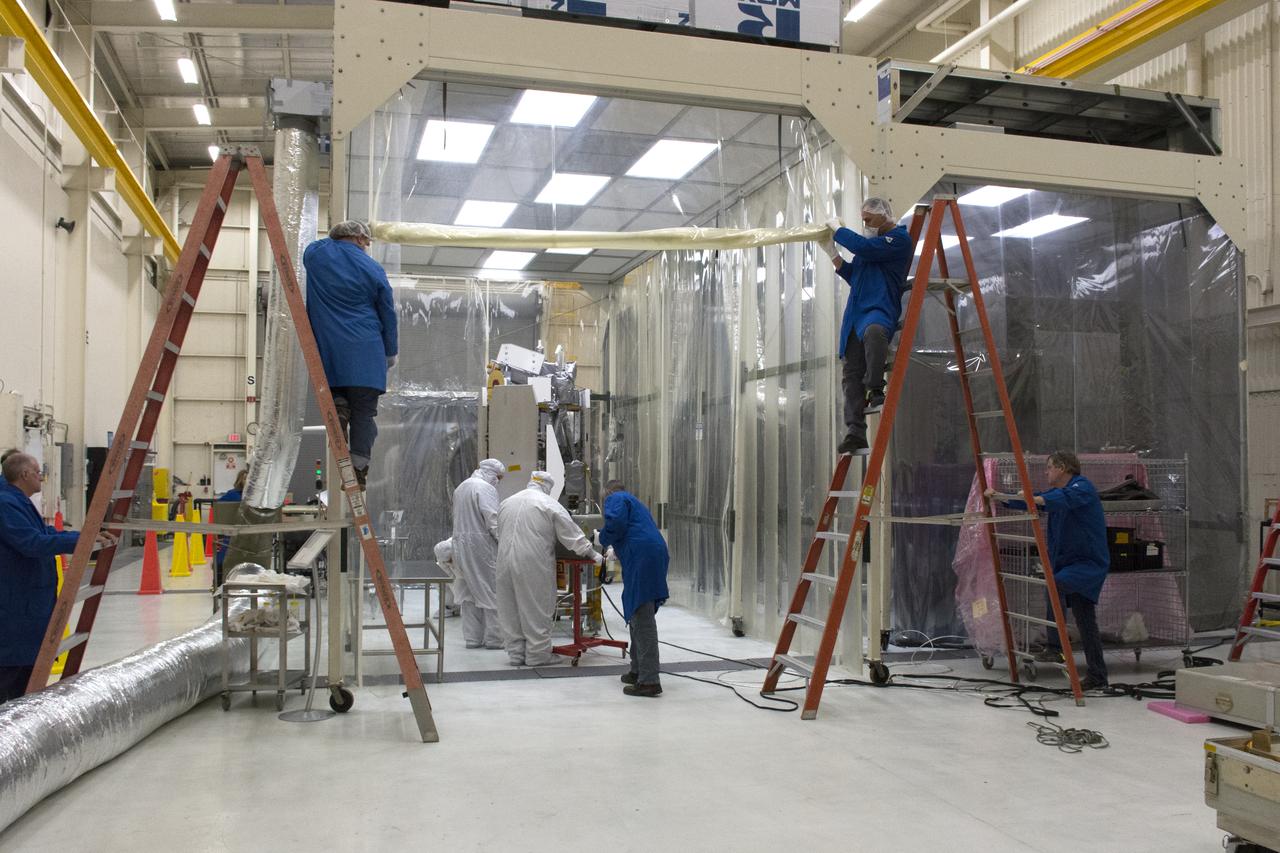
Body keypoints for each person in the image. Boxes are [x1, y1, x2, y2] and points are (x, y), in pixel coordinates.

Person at [985, 451, 1110, 690]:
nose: (1046, 472)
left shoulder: (1081, 487)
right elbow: (1040, 500)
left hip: (1087, 565)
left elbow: (1053, 499)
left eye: (1050, 467)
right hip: (1069, 563)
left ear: (1062, 467)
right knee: (1086, 622)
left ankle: (1055, 648)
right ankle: (1098, 675)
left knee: (1054, 587)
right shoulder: (1058, 494)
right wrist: (1000, 497)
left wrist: (1033, 498)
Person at [0, 453, 111, 702]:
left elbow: (41, 532)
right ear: (24, 475)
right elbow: (31, 542)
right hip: (16, 607)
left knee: (26, 674)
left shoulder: (19, 500)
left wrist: (81, 536)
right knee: (13, 679)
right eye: (38, 471)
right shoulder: (6, 504)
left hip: (27, 603)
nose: (42, 476)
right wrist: (81, 541)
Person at [302, 220, 398, 488]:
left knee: (336, 396)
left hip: (329, 349)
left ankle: (340, 406)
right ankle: (359, 469)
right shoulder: (373, 269)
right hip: (367, 354)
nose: (367, 246)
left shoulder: (316, 254)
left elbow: (318, 245)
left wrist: (334, 238)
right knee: (365, 415)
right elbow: (387, 313)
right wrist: (391, 352)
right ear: (358, 238)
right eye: (366, 241)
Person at [826, 198, 914, 455]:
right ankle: (855, 431)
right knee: (850, 375)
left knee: (875, 334)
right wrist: (833, 256)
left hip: (878, 307)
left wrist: (838, 231)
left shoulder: (898, 240)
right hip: (855, 314)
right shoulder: (871, 248)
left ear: (884, 215)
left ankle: (875, 386)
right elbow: (856, 275)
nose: (865, 224)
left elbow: (864, 247)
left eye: (868, 219)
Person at [494, 471, 602, 667]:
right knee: (535, 606)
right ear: (547, 486)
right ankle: (537, 655)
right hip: (532, 561)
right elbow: (571, 535)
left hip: (503, 561)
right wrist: (593, 554)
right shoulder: (548, 504)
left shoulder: (507, 502)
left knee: (510, 608)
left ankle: (516, 654)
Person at [598, 480, 669, 698]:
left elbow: (616, 524)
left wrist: (602, 538)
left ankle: (649, 681)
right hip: (649, 554)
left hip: (642, 557)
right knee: (638, 611)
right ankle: (638, 669)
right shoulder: (634, 502)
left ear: (607, 493)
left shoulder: (616, 498)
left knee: (642, 616)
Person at [451, 459, 506, 648]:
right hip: (481, 546)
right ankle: (495, 639)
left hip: (460, 545)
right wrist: (505, 543)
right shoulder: (485, 488)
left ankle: (473, 639)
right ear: (490, 473)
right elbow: (493, 520)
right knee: (491, 590)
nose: (498, 481)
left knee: (469, 593)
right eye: (498, 477)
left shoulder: (461, 487)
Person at [214, 468, 248, 571]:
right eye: (245, 479)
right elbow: (219, 507)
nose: (248, 481)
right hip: (233, 531)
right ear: (240, 480)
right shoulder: (233, 494)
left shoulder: (251, 496)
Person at [432, 537, 460, 617]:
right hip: (453, 573)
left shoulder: (459, 546)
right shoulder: (441, 554)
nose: (449, 562)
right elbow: (450, 576)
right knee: (444, 584)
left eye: (450, 559)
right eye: (447, 561)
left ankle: (454, 605)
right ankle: (450, 606)